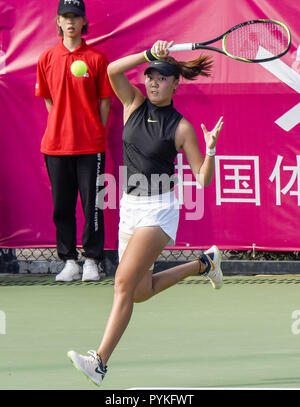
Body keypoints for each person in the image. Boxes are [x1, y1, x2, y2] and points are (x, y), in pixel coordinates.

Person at [67, 40, 224, 386]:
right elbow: (111, 71)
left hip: (159, 211)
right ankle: (205, 264)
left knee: (122, 284)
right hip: (130, 207)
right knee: (139, 291)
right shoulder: (132, 103)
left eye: (162, 77)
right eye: (150, 75)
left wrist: (211, 150)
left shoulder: (181, 127)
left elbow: (203, 179)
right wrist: (149, 54)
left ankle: (100, 362)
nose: (153, 81)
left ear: (175, 83)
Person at [35, 0, 114, 282]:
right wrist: (63, 123)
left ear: (83, 22)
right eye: (65, 17)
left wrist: (93, 128)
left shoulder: (96, 59)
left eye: (75, 17)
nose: (70, 22)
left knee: (92, 205)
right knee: (61, 205)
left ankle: (92, 259)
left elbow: (105, 101)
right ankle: (69, 260)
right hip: (55, 146)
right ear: (58, 21)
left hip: (90, 146)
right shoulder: (46, 58)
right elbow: (48, 99)